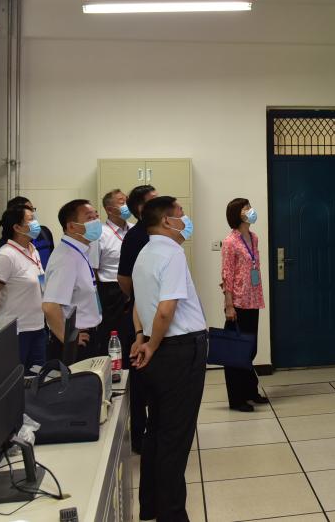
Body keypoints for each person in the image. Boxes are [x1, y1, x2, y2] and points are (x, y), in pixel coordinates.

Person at [131, 196, 207, 522]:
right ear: (166, 221)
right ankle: (173, 515)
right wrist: (152, 343)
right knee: (175, 439)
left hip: (159, 351)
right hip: (179, 351)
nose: (185, 219)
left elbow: (139, 305)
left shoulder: (144, 253)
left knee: (157, 431)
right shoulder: (172, 253)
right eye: (181, 214)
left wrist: (142, 339)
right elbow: (166, 309)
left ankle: (150, 506)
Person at [0, 205, 46, 371]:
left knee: (37, 378)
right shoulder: (6, 255)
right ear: (17, 227)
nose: (36, 223)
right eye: (31, 219)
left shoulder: (33, 250)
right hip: (14, 332)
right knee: (13, 380)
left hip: (37, 327)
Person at [116, 184, 157, 453]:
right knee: (141, 378)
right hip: (140, 315)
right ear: (142, 207)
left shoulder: (157, 232)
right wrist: (140, 294)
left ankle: (155, 430)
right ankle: (140, 435)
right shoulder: (136, 236)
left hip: (156, 315)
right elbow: (124, 278)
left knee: (156, 379)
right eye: (155, 200)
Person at [220, 198, 268, 412]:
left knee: (250, 349)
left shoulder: (254, 237)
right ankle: (237, 399)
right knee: (235, 352)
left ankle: (250, 391)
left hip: (253, 299)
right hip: (238, 302)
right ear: (237, 214)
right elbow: (227, 274)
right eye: (246, 208)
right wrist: (229, 305)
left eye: (249, 206)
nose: (250, 210)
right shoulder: (230, 241)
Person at [42, 199, 104, 362]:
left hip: (87, 333)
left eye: (96, 216)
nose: (96, 221)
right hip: (76, 340)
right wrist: (68, 339)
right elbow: (50, 306)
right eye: (89, 218)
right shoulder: (66, 258)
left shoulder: (79, 251)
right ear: (71, 227)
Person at [96, 189, 133, 343]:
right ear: (109, 209)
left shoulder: (134, 229)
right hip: (112, 292)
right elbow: (93, 269)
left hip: (135, 287)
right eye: (122, 202)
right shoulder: (100, 234)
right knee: (115, 336)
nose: (127, 205)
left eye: (127, 201)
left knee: (134, 333)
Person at [0, 196, 56, 269]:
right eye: (27, 209)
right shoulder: (5, 251)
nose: (32, 213)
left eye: (32, 209)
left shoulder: (43, 235)